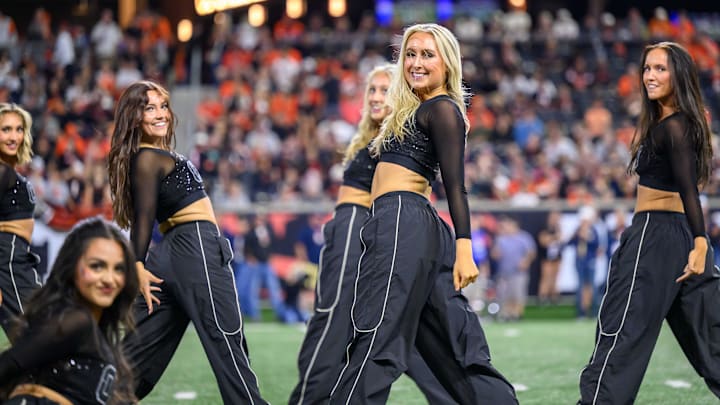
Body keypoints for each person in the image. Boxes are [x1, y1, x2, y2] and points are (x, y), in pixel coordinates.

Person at [329, 23, 517, 404]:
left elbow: (456, 185)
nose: (416, 62)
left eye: (427, 54)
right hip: (403, 223)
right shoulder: (412, 109)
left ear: (447, 63)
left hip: (402, 220)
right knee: (445, 338)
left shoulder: (443, 108)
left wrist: (465, 248)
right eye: (410, 54)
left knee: (375, 329)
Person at [290, 64, 453, 404]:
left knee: (336, 318)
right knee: (390, 329)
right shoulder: (372, 137)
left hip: (362, 227)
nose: (377, 97)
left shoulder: (401, 137)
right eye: (373, 90)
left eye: (385, 89)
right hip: (362, 229)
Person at [107, 80, 267, 404]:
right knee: (226, 340)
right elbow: (143, 216)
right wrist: (136, 264)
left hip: (170, 254)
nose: (160, 113)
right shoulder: (148, 158)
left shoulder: (148, 157)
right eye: (149, 107)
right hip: (194, 248)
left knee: (137, 355)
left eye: (162, 106)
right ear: (134, 116)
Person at [579, 41, 720, 404]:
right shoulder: (677, 123)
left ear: (680, 75)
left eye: (660, 68)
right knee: (711, 335)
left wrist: (702, 242)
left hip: (656, 235)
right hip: (680, 236)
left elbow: (690, 189)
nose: (650, 76)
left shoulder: (675, 127)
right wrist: (696, 240)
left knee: (621, 331)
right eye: (647, 68)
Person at [0, 216, 139, 405]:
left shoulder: (95, 331)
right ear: (73, 267)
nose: (109, 278)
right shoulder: (75, 320)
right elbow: (10, 363)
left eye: (119, 269)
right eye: (96, 266)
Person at [0, 103, 41, 335]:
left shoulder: (8, 169)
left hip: (16, 259)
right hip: (8, 263)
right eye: (5, 129)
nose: (13, 136)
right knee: (43, 331)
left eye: (18, 129)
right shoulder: (3, 172)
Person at [537, 210, 563, 305]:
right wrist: (554, 237)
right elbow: (543, 241)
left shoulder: (559, 228)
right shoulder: (545, 228)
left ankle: (554, 298)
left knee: (555, 278)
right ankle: (543, 298)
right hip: (547, 258)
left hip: (557, 257)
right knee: (546, 278)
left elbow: (562, 240)